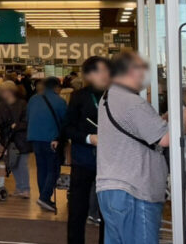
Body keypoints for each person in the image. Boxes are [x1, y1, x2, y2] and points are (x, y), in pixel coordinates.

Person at [97, 52, 169, 244]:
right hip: (135, 191)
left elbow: (136, 128)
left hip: (113, 189)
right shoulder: (132, 102)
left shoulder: (109, 97)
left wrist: (161, 121)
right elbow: (165, 139)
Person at [65, 56, 111, 244]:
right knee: (78, 209)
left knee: (108, 210)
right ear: (90, 74)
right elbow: (67, 128)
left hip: (110, 162)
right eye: (101, 71)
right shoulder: (79, 97)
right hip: (83, 159)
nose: (106, 74)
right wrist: (89, 138)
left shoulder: (117, 95)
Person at [27, 76, 67, 212]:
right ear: (56, 87)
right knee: (53, 169)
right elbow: (65, 122)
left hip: (35, 138)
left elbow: (28, 117)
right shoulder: (60, 101)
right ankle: (44, 197)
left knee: (42, 168)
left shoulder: (33, 99)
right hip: (51, 139)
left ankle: (43, 197)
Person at [0, 80, 31, 198]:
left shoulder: (22, 104)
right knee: (13, 164)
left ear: (10, 91)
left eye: (3, 91)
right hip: (9, 139)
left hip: (21, 139)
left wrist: (16, 126)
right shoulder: (2, 105)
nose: (2, 94)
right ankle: (20, 188)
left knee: (22, 164)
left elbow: (27, 121)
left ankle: (25, 189)